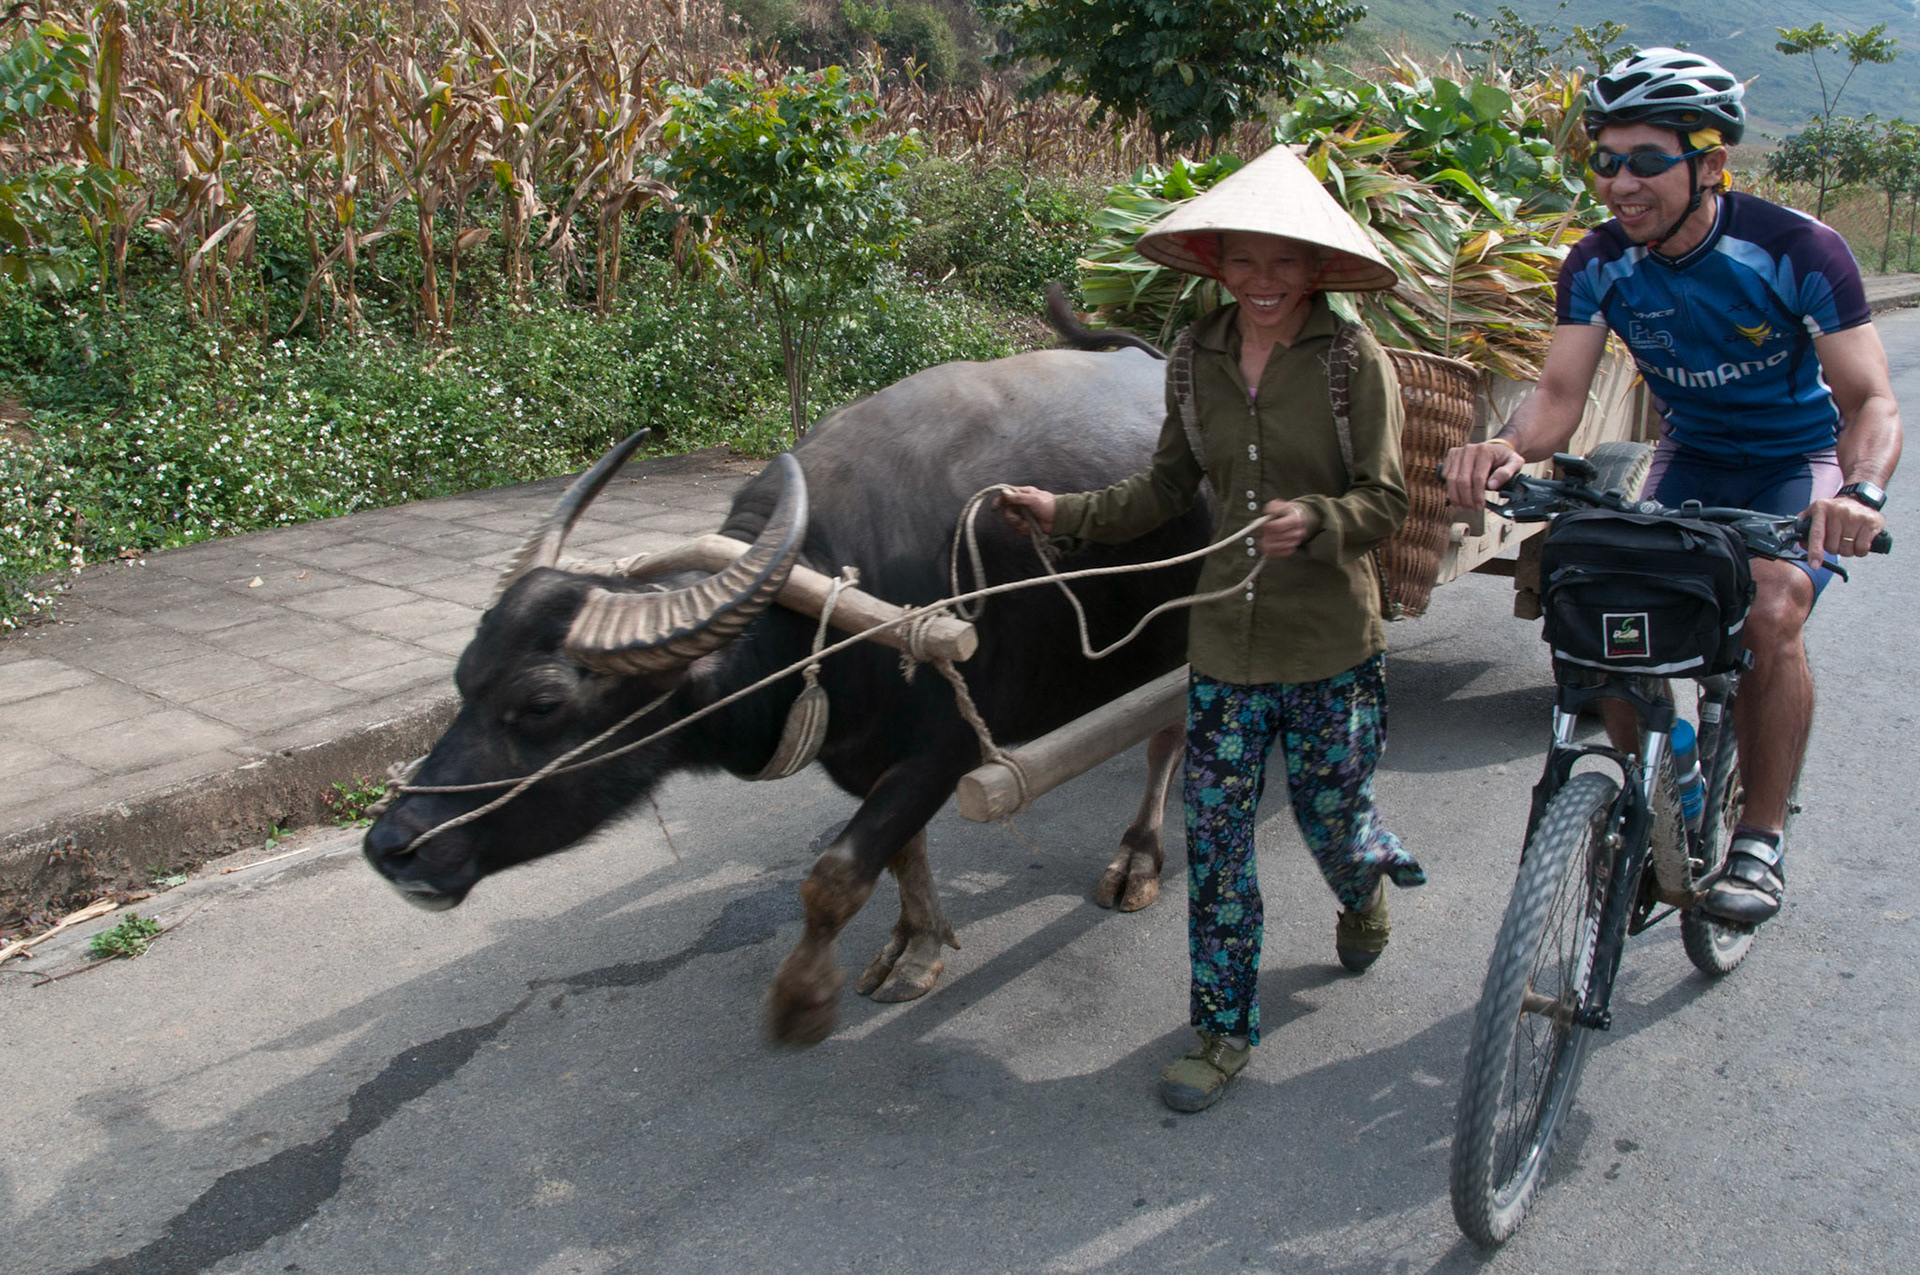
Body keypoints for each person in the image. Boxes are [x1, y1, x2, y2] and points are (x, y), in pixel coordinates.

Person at [999, 145, 1425, 1113]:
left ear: (1318, 269)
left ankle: (1363, 885)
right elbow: (1162, 489)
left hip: (1329, 647)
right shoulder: (1194, 360)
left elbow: (1389, 500)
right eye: (1245, 261)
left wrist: (1318, 521)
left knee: (1330, 821)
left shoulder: (1358, 365)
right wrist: (1060, 512)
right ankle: (1222, 1030)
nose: (1263, 283)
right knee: (1220, 842)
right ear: (1218, 265)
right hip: (1225, 648)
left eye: (1284, 263)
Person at [1443, 48, 1903, 925]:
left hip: (1792, 466)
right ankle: (1676, 774)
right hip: (1689, 460)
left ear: (1711, 165)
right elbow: (1557, 398)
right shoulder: (1599, 263)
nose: (1621, 183)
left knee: (1771, 614)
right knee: (1604, 607)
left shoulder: (1796, 248)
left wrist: (1861, 492)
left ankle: (1760, 841)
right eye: (1605, 161)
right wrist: (1505, 447)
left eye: (1647, 161)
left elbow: (1871, 398)